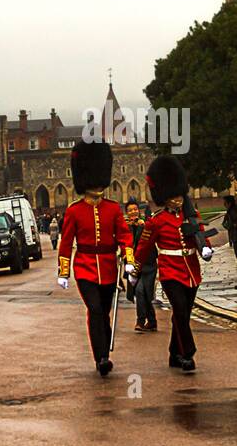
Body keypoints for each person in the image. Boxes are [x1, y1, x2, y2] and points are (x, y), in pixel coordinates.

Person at [56, 142, 135, 376]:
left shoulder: (112, 208)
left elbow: (124, 235)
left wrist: (129, 259)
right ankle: (101, 357)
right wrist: (64, 272)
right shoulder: (74, 210)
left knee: (104, 311)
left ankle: (103, 352)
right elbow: (67, 242)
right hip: (85, 268)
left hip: (109, 268)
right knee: (95, 309)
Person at [135, 155, 213, 372]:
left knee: (183, 314)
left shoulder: (191, 214)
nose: (178, 200)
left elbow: (200, 234)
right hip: (170, 271)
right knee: (179, 310)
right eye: (173, 197)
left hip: (191, 270)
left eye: (179, 196)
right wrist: (135, 267)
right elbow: (143, 247)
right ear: (164, 197)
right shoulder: (157, 221)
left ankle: (173, 354)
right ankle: (187, 353)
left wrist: (205, 248)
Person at [124, 200, 157, 332]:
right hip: (133, 265)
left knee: (146, 293)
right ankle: (142, 321)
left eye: (135, 209)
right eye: (130, 210)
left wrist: (143, 226)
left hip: (148, 264)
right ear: (126, 213)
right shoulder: (125, 227)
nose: (133, 212)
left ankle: (151, 321)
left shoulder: (146, 224)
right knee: (139, 291)